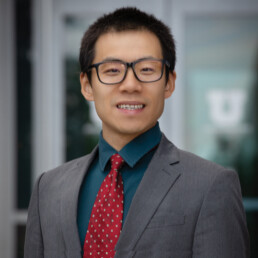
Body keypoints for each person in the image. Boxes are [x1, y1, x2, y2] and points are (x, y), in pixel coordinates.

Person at [24, 7, 249, 258]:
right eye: (112, 70)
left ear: (169, 83)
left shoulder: (211, 185)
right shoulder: (48, 189)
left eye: (147, 69)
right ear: (87, 86)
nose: (130, 85)